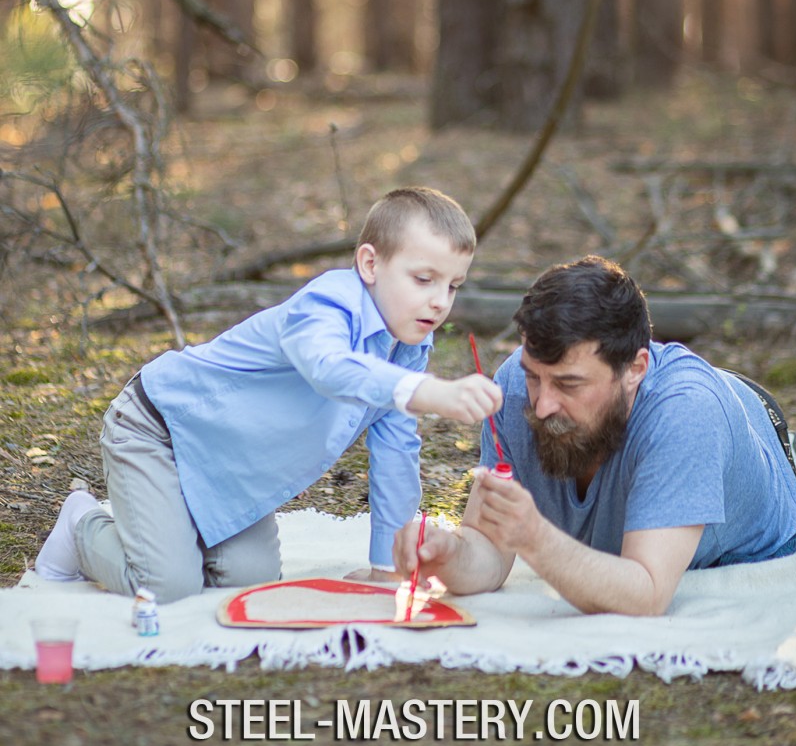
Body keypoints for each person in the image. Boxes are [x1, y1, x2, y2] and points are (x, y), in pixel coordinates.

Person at [34, 187, 502, 603]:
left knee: (249, 582)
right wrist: (424, 391)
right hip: (160, 429)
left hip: (229, 464)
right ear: (370, 264)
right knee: (167, 585)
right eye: (424, 279)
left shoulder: (409, 350)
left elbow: (397, 451)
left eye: (453, 285)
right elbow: (328, 367)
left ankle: (173, 527)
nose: (441, 301)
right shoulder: (327, 305)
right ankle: (82, 525)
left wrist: (386, 566)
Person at [393, 255, 796, 617]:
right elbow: (489, 547)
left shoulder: (686, 415)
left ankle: (774, 437)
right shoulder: (512, 387)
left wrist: (535, 537)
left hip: (739, 508)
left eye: (569, 384)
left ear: (635, 369)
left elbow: (647, 593)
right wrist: (448, 553)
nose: (542, 406)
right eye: (535, 378)